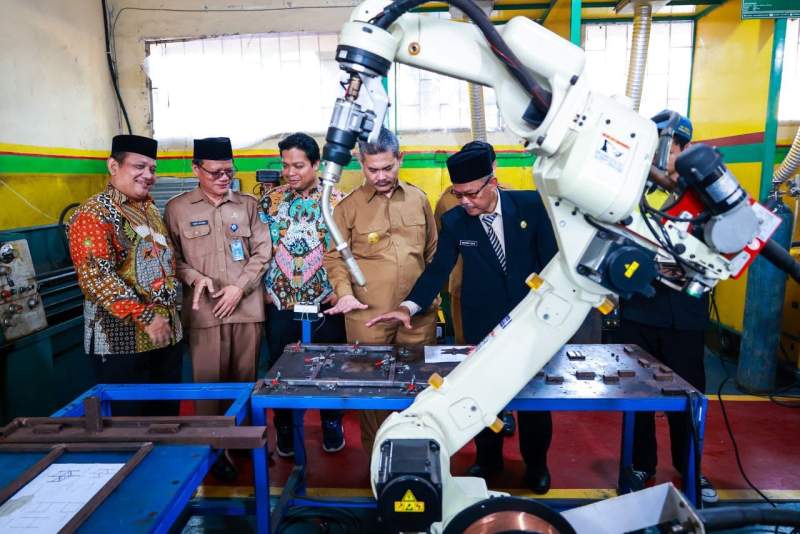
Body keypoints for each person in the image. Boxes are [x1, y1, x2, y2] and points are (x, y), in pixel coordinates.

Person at [367, 144, 557, 494]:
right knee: (482, 393)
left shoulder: (531, 206)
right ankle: (488, 460)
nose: (465, 202)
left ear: (493, 183)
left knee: (533, 400)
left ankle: (537, 464)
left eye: (471, 194)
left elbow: (550, 261)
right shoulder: (455, 221)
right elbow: (438, 268)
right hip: (481, 318)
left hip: (532, 319)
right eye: (458, 194)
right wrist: (409, 306)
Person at [609, 111, 718, 504]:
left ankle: (691, 468)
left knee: (687, 398)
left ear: (684, 149)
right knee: (638, 394)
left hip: (683, 316)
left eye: (668, 148)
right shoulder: (633, 188)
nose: (660, 155)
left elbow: (722, 249)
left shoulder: (705, 194)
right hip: (638, 310)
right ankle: (641, 464)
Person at [323, 127, 438, 455]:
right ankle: (377, 455)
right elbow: (334, 256)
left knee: (418, 385)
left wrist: (432, 299)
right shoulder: (347, 208)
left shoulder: (418, 199)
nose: (380, 176)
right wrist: (343, 292)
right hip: (367, 316)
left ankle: (417, 449)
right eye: (372, 169)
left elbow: (432, 252)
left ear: (400, 158)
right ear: (361, 163)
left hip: (416, 316)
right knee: (371, 389)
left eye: (387, 168)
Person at [68, 134, 182, 417]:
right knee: (130, 423)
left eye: (153, 169)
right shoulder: (94, 214)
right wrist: (145, 316)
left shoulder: (151, 210)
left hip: (165, 336)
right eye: (139, 166)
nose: (148, 175)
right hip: (120, 341)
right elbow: (96, 278)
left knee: (166, 419)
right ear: (113, 166)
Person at [164, 137, 271, 416]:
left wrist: (240, 287)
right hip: (205, 313)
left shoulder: (248, 205)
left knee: (245, 387)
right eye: (216, 172)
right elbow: (170, 258)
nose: (224, 178)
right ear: (196, 169)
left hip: (246, 311)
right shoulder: (178, 209)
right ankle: (213, 451)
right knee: (208, 390)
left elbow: (263, 252)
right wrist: (194, 277)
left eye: (229, 171)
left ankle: (247, 448)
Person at [261, 132, 347, 457]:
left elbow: (347, 250)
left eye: (298, 165)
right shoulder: (270, 201)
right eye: (286, 165)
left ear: (317, 164)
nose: (291, 172)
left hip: (324, 301)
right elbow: (260, 250)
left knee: (329, 363)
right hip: (281, 300)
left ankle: (331, 421)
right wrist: (265, 288)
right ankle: (285, 426)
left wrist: (341, 291)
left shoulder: (337, 201)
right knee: (281, 365)